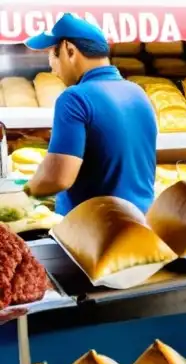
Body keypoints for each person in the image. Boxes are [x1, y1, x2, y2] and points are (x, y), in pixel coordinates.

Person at [23, 13, 157, 215]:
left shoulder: (75, 98)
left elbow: (58, 178)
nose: (51, 67)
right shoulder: (138, 93)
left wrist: (23, 192)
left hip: (97, 231)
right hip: (141, 224)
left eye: (52, 53)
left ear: (69, 50)